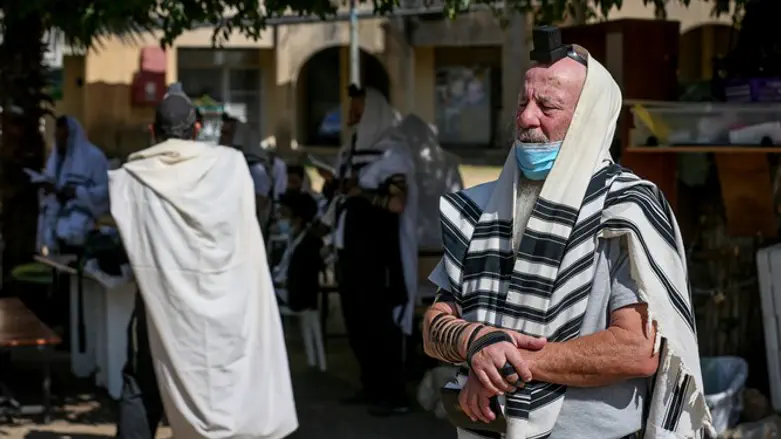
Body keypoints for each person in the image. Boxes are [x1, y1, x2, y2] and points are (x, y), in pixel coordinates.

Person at [422, 31, 714, 439]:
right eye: (523, 103)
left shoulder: (626, 210)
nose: (526, 118)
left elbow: (638, 348)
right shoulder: (481, 209)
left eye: (548, 107)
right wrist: (473, 341)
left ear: (587, 120)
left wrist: (504, 362)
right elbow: (434, 325)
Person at [110, 87, 297, 439]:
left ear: (153, 131)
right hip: (224, 301)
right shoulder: (231, 166)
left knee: (141, 384)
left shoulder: (132, 177)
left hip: (159, 301)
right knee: (221, 385)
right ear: (197, 129)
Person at [328, 85, 418, 416]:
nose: (352, 115)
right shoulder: (350, 151)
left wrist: (360, 193)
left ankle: (393, 393)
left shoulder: (393, 153)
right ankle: (371, 384)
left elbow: (396, 203)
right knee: (357, 319)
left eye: (359, 109)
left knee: (380, 320)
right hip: (350, 250)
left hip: (379, 254)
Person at [37, 115, 110, 254]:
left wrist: (77, 192)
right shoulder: (54, 159)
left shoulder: (95, 158)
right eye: (57, 137)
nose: (60, 142)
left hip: (81, 227)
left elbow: (105, 192)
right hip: (53, 228)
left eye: (64, 137)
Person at [273, 191, 322, 312]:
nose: (280, 218)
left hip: (292, 299)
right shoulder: (293, 240)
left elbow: (297, 283)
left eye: (284, 215)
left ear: (298, 219)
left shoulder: (307, 246)